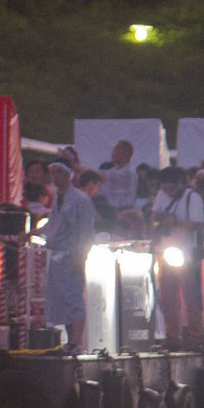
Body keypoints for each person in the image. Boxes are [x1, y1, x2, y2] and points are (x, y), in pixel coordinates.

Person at [150, 167, 204, 343]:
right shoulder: (161, 195)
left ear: (180, 183)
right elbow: (154, 217)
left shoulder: (192, 197)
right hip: (167, 251)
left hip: (188, 253)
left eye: (171, 189)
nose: (168, 192)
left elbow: (197, 224)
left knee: (191, 297)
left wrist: (175, 223)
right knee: (168, 296)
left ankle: (196, 336)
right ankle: (172, 336)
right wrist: (159, 220)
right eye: (164, 188)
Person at [44, 164, 96, 348]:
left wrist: (81, 255)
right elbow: (53, 225)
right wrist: (33, 233)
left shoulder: (80, 199)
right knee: (62, 299)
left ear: (68, 175)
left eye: (60, 173)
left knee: (73, 298)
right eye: (53, 173)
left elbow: (87, 231)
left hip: (73, 254)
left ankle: (76, 341)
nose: (56, 177)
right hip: (58, 255)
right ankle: (70, 340)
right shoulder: (58, 198)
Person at [98, 140, 138, 214]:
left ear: (125, 154)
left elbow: (97, 175)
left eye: (115, 152)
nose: (112, 155)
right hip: (112, 211)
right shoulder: (114, 169)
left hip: (123, 211)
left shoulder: (128, 172)